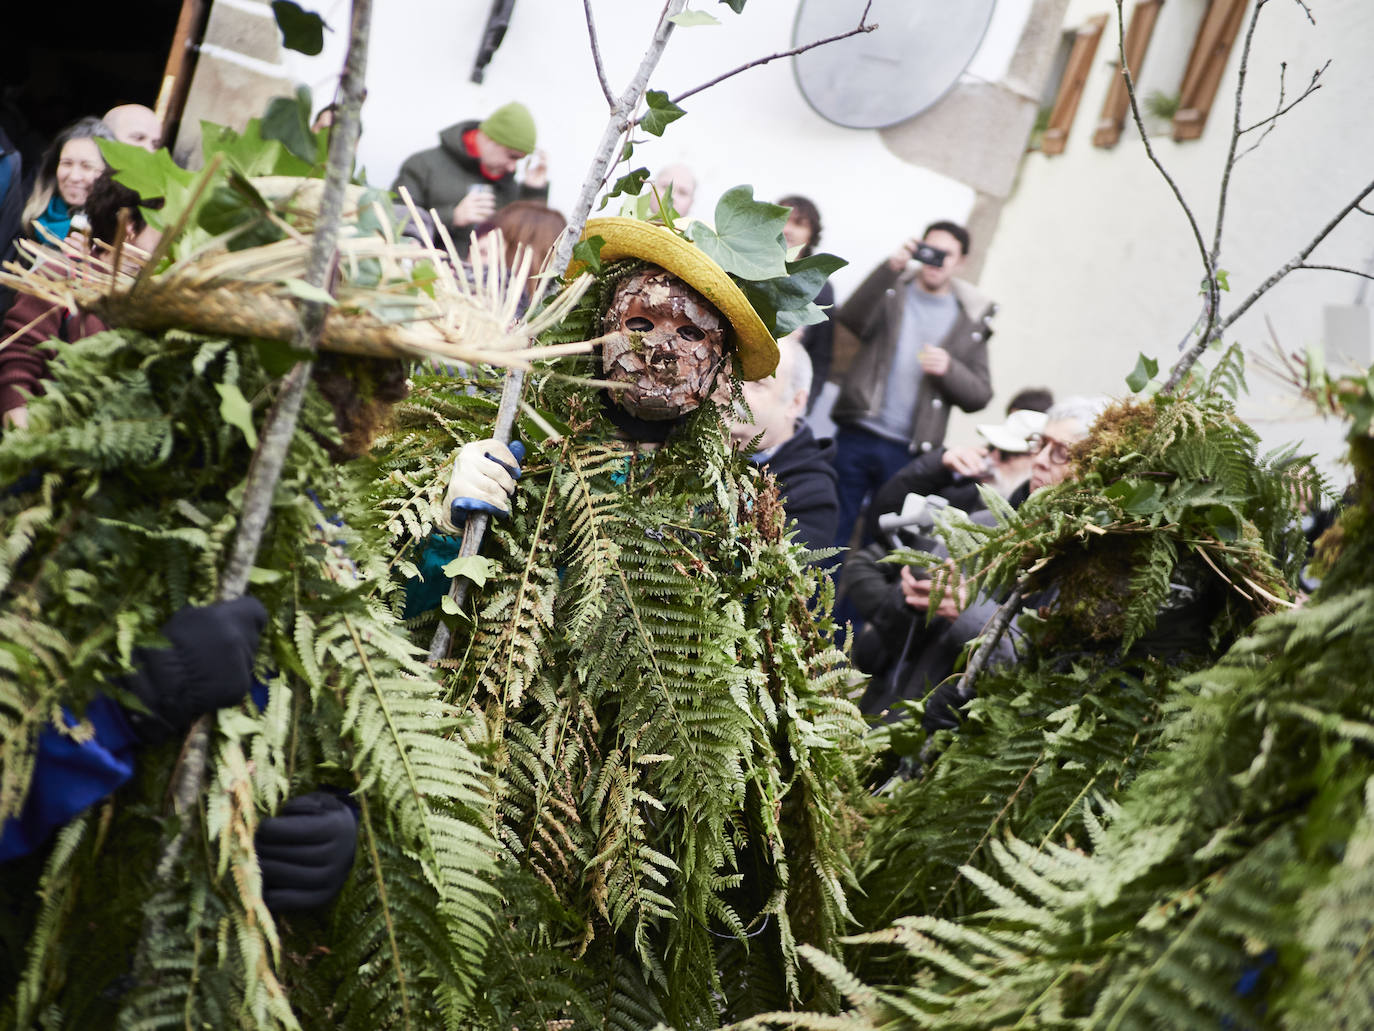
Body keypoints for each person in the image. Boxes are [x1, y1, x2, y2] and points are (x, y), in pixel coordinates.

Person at [845, 397, 1108, 729]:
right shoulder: (983, 524)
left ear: (1098, 467)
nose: (1039, 460)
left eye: (1061, 452)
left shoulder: (1095, 572)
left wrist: (967, 611)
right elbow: (901, 639)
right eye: (1040, 445)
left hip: (969, 744)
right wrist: (909, 601)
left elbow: (1044, 680)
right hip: (897, 717)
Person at [829, 220, 995, 549]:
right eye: (930, 250)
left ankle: (855, 604)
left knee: (882, 545)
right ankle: (809, 602)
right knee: (833, 532)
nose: (936, 260)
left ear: (961, 262)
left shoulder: (971, 317)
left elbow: (980, 394)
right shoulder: (894, 288)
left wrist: (950, 369)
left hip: (910, 452)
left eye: (945, 255)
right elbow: (851, 318)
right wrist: (891, 267)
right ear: (919, 249)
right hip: (858, 432)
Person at [719, 331, 838, 552]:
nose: (735, 389)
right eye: (734, 374)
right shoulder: (685, 440)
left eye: (758, 383)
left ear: (795, 402)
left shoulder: (813, 495)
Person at [391, 101, 549, 256]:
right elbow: (394, 222)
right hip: (428, 276)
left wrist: (533, 194)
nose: (512, 168)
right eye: (511, 156)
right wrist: (452, 217)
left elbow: (528, 245)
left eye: (519, 160)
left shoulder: (509, 186)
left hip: (486, 281)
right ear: (489, 139)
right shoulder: (423, 165)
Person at [778, 194, 835, 413]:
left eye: (799, 224)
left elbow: (820, 356)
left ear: (812, 235)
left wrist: (804, 408)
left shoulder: (820, 289)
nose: (787, 229)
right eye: (782, 219)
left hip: (780, 394)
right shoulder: (743, 265)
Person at [18, 116, 113, 246]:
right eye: (67, 163)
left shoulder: (111, 236)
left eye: (87, 166)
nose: (74, 176)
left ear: (108, 173)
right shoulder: (30, 212)